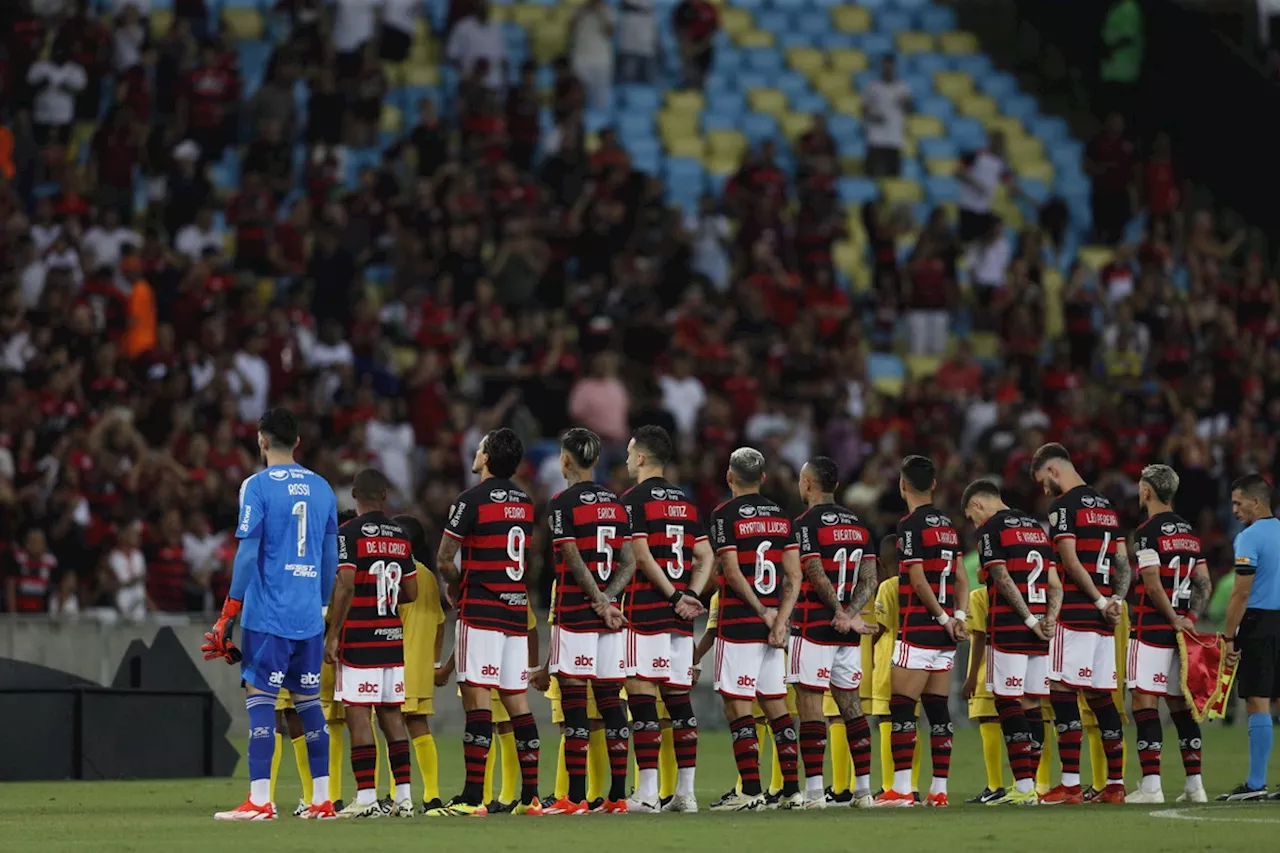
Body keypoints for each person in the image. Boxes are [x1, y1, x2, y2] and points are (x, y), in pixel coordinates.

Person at [204, 407, 340, 821]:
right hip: (309, 617)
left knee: (261, 698)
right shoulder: (323, 488)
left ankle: (260, 800)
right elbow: (330, 555)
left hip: (269, 615)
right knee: (308, 702)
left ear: (262, 440)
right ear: (297, 442)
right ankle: (322, 799)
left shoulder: (256, 486)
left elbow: (247, 551)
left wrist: (230, 608)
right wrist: (320, 604)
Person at [430, 428, 543, 816]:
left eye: (479, 448)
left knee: (477, 700)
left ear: (488, 458)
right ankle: (530, 799)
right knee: (518, 702)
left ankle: (472, 798)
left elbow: (446, 558)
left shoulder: (471, 499)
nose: (475, 452)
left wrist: (455, 587)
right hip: (515, 609)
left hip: (481, 609)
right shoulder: (526, 502)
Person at [1031, 442, 1133, 805]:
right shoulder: (1106, 506)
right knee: (1100, 697)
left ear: (1054, 470)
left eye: (1044, 480)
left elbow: (1071, 563)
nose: (1044, 489)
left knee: (1060, 690)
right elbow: (1123, 561)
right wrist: (1116, 600)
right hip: (1105, 619)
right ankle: (1116, 785)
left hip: (1075, 612)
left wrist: (1099, 600)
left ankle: (1071, 786)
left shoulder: (1063, 507)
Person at [543, 427, 637, 815]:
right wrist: (611, 600)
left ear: (566, 460)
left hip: (576, 613)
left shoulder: (561, 502)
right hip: (612, 618)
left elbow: (570, 556)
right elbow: (629, 562)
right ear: (595, 461)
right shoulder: (617, 505)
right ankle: (616, 796)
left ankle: (576, 796)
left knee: (574, 704)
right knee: (611, 701)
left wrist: (597, 601)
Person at [619, 425, 712, 812]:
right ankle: (685, 795)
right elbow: (706, 557)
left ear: (641, 457)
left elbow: (640, 555)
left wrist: (674, 595)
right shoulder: (687, 503)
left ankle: (647, 793)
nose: (626, 459)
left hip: (645, 610)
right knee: (678, 702)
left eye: (629, 453)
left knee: (641, 699)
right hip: (680, 619)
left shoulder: (632, 500)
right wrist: (691, 594)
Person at [707, 446, 803, 811]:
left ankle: (750, 791)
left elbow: (731, 571)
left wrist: (763, 612)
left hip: (739, 622)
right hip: (774, 628)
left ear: (729, 476)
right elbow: (794, 575)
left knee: (738, 708)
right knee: (777, 706)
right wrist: (779, 620)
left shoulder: (723, 515)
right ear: (763, 478)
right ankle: (792, 790)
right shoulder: (782, 517)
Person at [874, 455, 968, 808]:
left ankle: (899, 790)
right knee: (938, 712)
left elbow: (915, 577)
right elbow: (960, 577)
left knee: (901, 708)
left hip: (918, 629)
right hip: (945, 635)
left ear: (902, 485)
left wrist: (943, 619)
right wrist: (958, 615)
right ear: (933, 484)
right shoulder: (947, 525)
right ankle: (939, 790)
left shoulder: (910, 525)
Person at [787, 456, 879, 809]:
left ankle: (813, 795)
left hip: (813, 626)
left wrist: (839, 613)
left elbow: (812, 570)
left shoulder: (805, 523)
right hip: (848, 634)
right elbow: (870, 577)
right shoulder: (860, 525)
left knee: (810, 708)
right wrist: (852, 615)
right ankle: (864, 792)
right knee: (852, 707)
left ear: (808, 483)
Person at [327, 468, 419, 818]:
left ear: (354, 495)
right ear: (384, 495)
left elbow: (346, 583)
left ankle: (366, 798)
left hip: (361, 636)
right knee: (392, 715)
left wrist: (333, 634)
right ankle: (404, 798)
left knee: (358, 715)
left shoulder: (347, 533)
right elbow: (411, 591)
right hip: (391, 637)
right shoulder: (400, 534)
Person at [962, 478, 1059, 806]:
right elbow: (1055, 582)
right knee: (1032, 703)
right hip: (1041, 630)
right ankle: (1030, 787)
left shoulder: (990, 529)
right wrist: (1049, 619)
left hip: (1010, 628)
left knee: (1007, 701)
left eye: (971, 517)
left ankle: (1022, 785)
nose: (974, 524)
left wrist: (1030, 621)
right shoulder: (1035, 527)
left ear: (977, 505)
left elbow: (1001, 577)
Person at [1125, 464, 1211, 804]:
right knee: (1180, 706)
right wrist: (1189, 617)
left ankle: (1151, 786)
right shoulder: (1189, 533)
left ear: (1147, 491)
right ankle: (1195, 786)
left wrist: (1174, 618)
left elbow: (1151, 583)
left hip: (1150, 628)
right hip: (1182, 631)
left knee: (1144, 702)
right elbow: (1203, 580)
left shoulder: (1147, 531)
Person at [1222, 473, 1280, 800]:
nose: (1234, 509)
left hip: (1259, 623)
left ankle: (1256, 784)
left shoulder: (1249, 537)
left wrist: (1229, 637)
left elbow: (1240, 595)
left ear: (1255, 503)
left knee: (1257, 700)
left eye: (1237, 502)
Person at [392, 513, 448, 814]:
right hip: (421, 667)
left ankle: (394, 794)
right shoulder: (427, 574)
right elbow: (440, 622)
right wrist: (435, 663)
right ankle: (432, 794)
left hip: (398, 663)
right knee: (419, 728)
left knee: (392, 728)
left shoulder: (400, 574)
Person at [862, 55, 912, 179]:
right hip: (875, 138)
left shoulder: (902, 87)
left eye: (890, 67)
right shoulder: (872, 86)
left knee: (893, 177)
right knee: (872, 175)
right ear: (882, 67)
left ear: (894, 67)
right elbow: (864, 110)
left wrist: (905, 104)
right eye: (886, 66)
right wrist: (874, 117)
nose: (888, 69)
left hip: (894, 138)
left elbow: (909, 110)